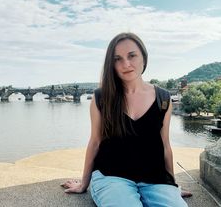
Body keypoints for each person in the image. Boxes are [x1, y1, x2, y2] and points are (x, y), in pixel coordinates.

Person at [61, 33, 188, 206]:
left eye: (132, 56)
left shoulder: (163, 98)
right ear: (111, 64)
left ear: (143, 56)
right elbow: (95, 142)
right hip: (111, 176)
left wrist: (172, 185)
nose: (126, 64)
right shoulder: (101, 98)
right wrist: (84, 183)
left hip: (155, 178)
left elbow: (165, 145)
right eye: (117, 59)